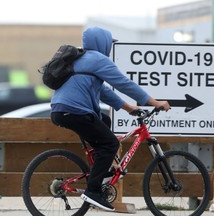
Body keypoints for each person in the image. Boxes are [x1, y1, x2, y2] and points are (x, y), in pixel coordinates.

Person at [50, 26, 170, 211]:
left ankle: (103, 173)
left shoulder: (81, 59)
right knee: (110, 144)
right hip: (75, 111)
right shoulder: (97, 59)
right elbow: (123, 83)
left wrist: (129, 108)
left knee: (104, 123)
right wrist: (154, 102)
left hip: (61, 110)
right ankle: (93, 192)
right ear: (102, 43)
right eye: (110, 43)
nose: (111, 48)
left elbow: (103, 91)